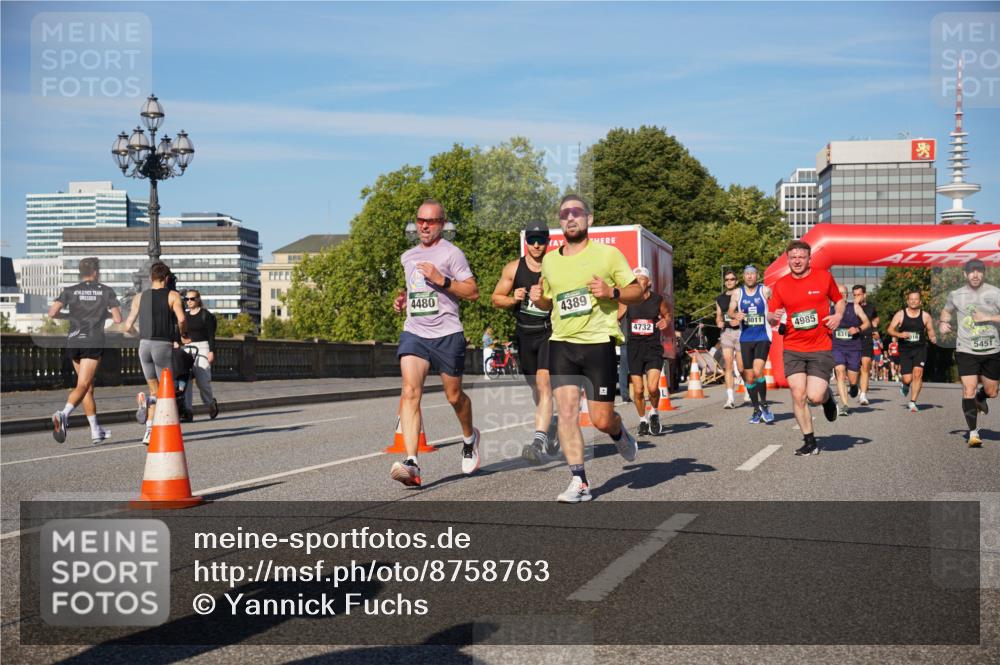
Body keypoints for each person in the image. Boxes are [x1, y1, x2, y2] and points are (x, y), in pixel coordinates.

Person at [529, 194, 642, 503]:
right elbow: (549, 301)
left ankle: (619, 432)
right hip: (561, 343)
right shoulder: (550, 261)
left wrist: (612, 291)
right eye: (564, 214)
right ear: (559, 222)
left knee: (600, 419)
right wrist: (539, 297)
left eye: (577, 212)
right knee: (566, 412)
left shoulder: (607, 255)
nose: (570, 218)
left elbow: (636, 291)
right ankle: (579, 480)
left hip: (597, 343)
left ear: (589, 219)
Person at [390, 199, 480, 487]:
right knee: (409, 391)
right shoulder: (408, 256)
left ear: (442, 224)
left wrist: (442, 280)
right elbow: (414, 289)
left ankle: (469, 437)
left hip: (447, 334)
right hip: (415, 332)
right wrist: (403, 299)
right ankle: (412, 463)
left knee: (454, 396)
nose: (425, 226)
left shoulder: (453, 254)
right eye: (420, 220)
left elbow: (473, 292)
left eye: (431, 221)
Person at [491, 220, 559, 464]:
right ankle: (550, 423)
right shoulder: (513, 268)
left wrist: (543, 300)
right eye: (533, 240)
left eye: (542, 241)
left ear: (548, 242)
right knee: (536, 388)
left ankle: (538, 442)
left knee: (544, 384)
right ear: (526, 241)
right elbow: (496, 298)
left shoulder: (556, 266)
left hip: (549, 332)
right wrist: (514, 299)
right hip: (524, 334)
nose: (537, 245)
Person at [767, 240, 844, 456]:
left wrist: (838, 315)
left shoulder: (824, 277)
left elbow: (839, 300)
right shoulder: (781, 285)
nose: (797, 261)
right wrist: (773, 317)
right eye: (793, 257)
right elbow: (771, 317)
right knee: (798, 394)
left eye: (801, 257)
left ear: (809, 258)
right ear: (788, 260)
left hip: (820, 346)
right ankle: (810, 441)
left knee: (815, 397)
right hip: (793, 346)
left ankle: (827, 397)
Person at [48, 257, 122, 445]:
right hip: (93, 341)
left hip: (73, 341)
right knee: (83, 386)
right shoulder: (106, 291)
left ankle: (96, 431)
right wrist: (102, 314)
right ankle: (63, 415)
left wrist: (70, 315)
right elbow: (118, 319)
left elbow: (52, 312)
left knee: (87, 387)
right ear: (96, 272)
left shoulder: (70, 291)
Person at [939, 259, 1000, 447]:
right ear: (965, 274)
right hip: (966, 349)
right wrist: (943, 322)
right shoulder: (956, 295)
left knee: (992, 391)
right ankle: (973, 433)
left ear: (984, 274)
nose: (975, 274)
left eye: (979, 271)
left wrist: (987, 317)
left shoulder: (995, 293)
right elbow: (946, 311)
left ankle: (981, 398)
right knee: (968, 389)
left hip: (992, 349)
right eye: (971, 271)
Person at [125, 262, 188, 444]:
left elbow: (128, 325)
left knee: (154, 389)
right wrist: (183, 334)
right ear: (167, 278)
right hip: (162, 346)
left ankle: (149, 432)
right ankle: (165, 426)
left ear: (151, 278)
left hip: (144, 346)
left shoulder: (139, 297)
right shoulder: (173, 295)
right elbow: (182, 319)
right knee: (166, 391)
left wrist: (139, 336)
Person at [620, 266, 671, 436]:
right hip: (634, 347)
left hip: (652, 347)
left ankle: (654, 413)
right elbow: (614, 316)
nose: (637, 282)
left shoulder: (657, 299)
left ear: (649, 282)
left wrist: (666, 321)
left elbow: (667, 314)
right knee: (639, 390)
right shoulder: (627, 301)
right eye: (635, 280)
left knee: (653, 387)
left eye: (641, 279)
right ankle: (643, 420)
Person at [728, 265, 774, 424]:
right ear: (743, 277)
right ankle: (756, 409)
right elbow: (730, 311)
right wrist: (736, 314)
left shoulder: (765, 291)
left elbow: (777, 303)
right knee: (748, 377)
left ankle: (765, 404)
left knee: (758, 370)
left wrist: (775, 316)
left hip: (763, 336)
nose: (749, 277)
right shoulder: (737, 293)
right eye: (747, 274)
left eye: (752, 274)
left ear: (757, 276)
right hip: (746, 338)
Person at [886, 289, 937, 413]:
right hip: (905, 350)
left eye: (916, 299)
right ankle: (905, 385)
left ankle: (913, 402)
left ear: (920, 301)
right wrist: (900, 334)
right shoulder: (900, 314)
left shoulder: (925, 316)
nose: (913, 301)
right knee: (907, 378)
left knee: (918, 373)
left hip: (920, 349)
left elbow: (931, 332)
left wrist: (933, 338)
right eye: (911, 299)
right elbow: (890, 330)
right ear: (908, 301)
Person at [831, 284, 871, 416]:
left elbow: (867, 322)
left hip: (853, 348)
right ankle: (845, 405)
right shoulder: (830, 309)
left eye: (843, 293)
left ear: (847, 295)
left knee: (853, 378)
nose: (841, 296)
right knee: (840, 372)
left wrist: (858, 329)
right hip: (837, 347)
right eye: (838, 293)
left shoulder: (854, 307)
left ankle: (854, 386)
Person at [180, 290, 219, 420]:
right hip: (187, 349)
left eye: (192, 299)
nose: (189, 302)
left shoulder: (205, 315)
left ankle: (210, 404)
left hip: (203, 347)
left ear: (198, 299)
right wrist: (182, 339)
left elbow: (211, 336)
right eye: (187, 299)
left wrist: (211, 351)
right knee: (187, 381)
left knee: (203, 380)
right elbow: (181, 332)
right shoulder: (184, 316)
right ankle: (188, 410)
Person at [716, 270, 744, 409]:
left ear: (736, 281)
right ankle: (730, 399)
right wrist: (719, 322)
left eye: (732, 279)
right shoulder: (720, 298)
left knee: (741, 367)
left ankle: (747, 388)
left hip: (740, 332)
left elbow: (748, 312)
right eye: (727, 279)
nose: (729, 281)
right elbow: (719, 316)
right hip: (726, 333)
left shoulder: (742, 295)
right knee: (728, 364)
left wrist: (739, 320)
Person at [852, 285, 879, 406]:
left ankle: (863, 395)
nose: (857, 297)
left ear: (864, 295)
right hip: (854, 339)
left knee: (865, 365)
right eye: (855, 295)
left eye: (859, 294)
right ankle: (855, 385)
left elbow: (874, 318)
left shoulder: (870, 307)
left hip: (867, 338)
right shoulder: (851, 307)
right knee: (854, 368)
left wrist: (875, 327)